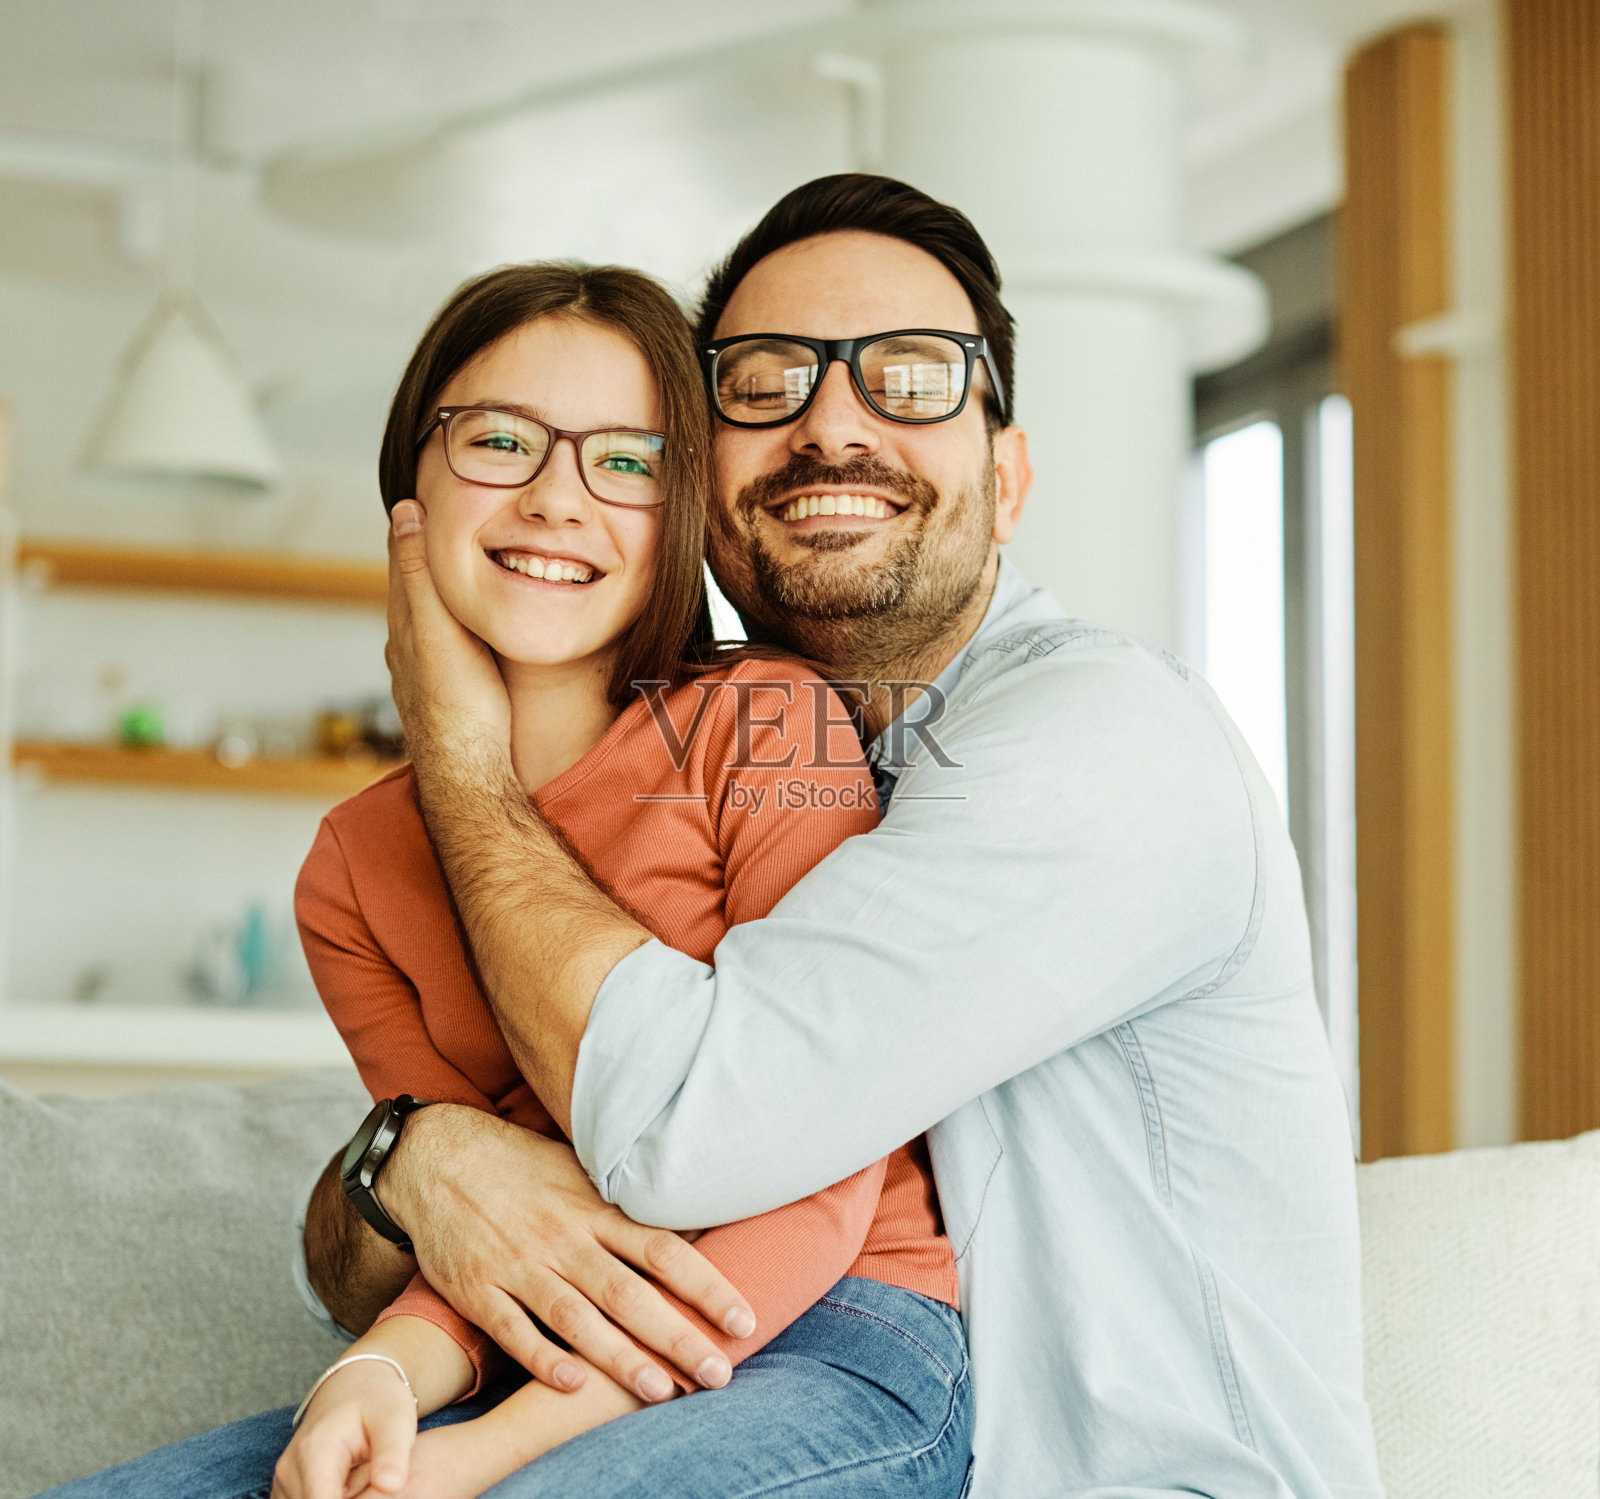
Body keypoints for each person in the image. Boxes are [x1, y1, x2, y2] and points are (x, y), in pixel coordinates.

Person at [309, 174, 1386, 1499]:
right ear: (706, 492)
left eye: (915, 377)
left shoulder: (1102, 736)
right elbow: (406, 1226)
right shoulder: (779, 759)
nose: (832, 423)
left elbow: (683, 1127)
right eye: (762, 380)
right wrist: (414, 1155)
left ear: (1008, 472)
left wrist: (463, 765)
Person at [43, 263, 973, 1499]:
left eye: (628, 463)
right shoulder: (350, 870)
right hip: (534, 1351)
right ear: (408, 486)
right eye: (498, 440)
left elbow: (814, 1169)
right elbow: (495, 1215)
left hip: (839, 1330)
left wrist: (488, 1451)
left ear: (682, 513)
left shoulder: (767, 726)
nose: (556, 499)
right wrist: (374, 1375)